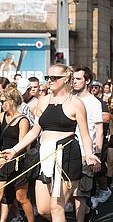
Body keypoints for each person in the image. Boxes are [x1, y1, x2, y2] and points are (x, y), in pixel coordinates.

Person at [2, 63, 100, 222]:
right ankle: (84, 211)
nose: (50, 80)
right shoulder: (43, 101)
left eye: (55, 77)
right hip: (45, 155)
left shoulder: (76, 103)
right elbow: (35, 131)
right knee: (43, 209)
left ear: (66, 78)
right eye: (48, 77)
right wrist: (14, 150)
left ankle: (80, 212)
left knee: (57, 206)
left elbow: (85, 134)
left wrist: (90, 154)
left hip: (68, 156)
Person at [0, 84, 34, 222]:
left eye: (3, 101)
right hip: (1, 161)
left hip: (16, 162)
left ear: (11, 101)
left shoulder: (23, 120)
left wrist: (7, 159)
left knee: (21, 198)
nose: (1, 103)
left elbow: (21, 145)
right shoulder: (2, 115)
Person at [72, 66, 103, 221]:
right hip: (68, 152)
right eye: (73, 79)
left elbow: (99, 131)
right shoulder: (70, 99)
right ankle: (89, 209)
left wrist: (97, 155)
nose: (74, 82)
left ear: (87, 81)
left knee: (80, 194)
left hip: (86, 154)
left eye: (78, 79)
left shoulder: (94, 103)